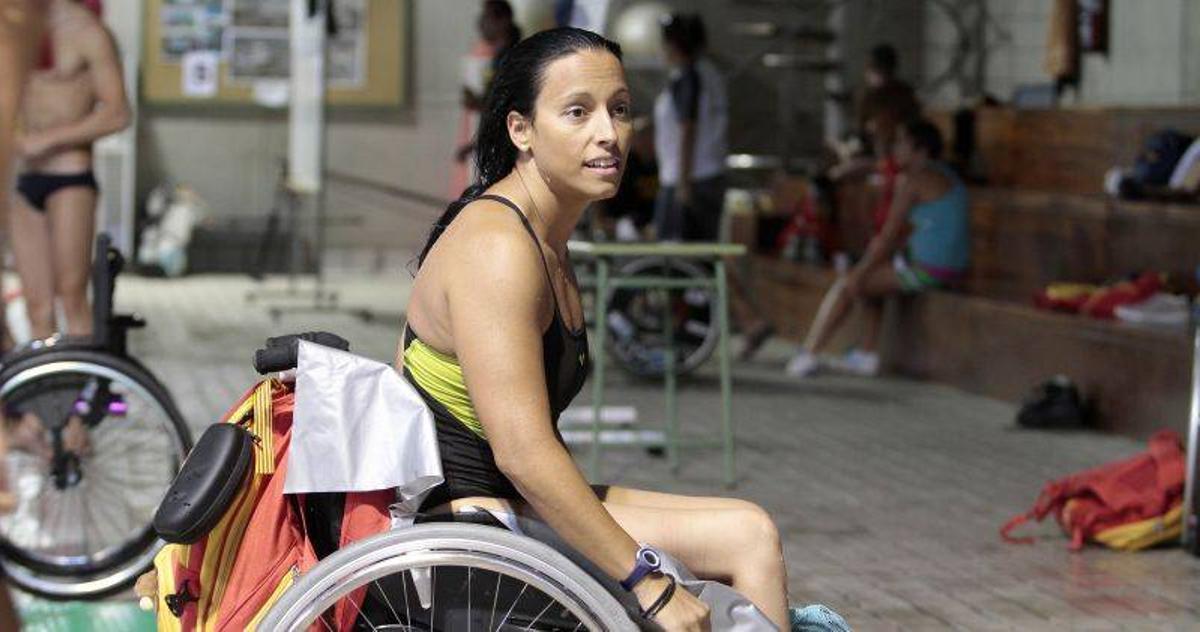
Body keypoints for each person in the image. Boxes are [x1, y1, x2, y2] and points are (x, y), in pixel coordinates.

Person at [400, 27, 790, 629]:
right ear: (520, 130)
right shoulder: (497, 248)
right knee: (746, 540)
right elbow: (523, 452)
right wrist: (648, 583)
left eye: (620, 110)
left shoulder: (546, 236)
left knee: (749, 527)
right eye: (577, 112)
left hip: (511, 499)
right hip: (469, 523)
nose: (608, 133)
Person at [787, 119, 969, 378]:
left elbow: (887, 237)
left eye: (902, 143)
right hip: (951, 267)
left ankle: (809, 352)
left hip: (930, 270)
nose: (895, 148)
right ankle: (867, 353)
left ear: (921, 150)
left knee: (847, 284)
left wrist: (858, 274)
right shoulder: (944, 175)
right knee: (871, 281)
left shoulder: (914, 179)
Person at [653, 12, 775, 361]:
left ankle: (707, 325)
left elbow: (688, 128)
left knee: (683, 260)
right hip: (705, 175)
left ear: (675, 45)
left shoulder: (688, 77)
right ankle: (748, 321)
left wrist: (685, 183)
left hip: (689, 179)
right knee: (704, 256)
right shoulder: (708, 76)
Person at [11, 0, 129, 341]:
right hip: (21, 178)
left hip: (69, 176)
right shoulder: (15, 29)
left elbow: (118, 113)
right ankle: (44, 392)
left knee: (72, 296)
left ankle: (81, 390)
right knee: (37, 307)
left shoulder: (87, 32)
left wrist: (47, 140)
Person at [451, 0, 522, 196]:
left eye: (486, 17)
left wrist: (480, 102)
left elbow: (509, 106)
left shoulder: (513, 57)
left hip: (508, 153)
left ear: (503, 20)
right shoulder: (499, 56)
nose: (481, 23)